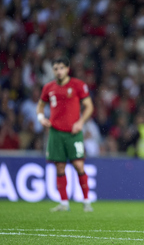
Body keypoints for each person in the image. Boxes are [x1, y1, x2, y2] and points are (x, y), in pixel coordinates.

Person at [36, 56, 94, 212]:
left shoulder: (78, 85)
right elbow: (40, 106)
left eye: (61, 68)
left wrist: (81, 122)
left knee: (78, 165)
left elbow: (89, 106)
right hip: (55, 132)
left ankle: (87, 201)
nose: (59, 71)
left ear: (68, 69)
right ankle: (64, 203)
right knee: (59, 167)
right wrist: (41, 118)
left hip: (73, 133)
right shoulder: (48, 87)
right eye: (56, 69)